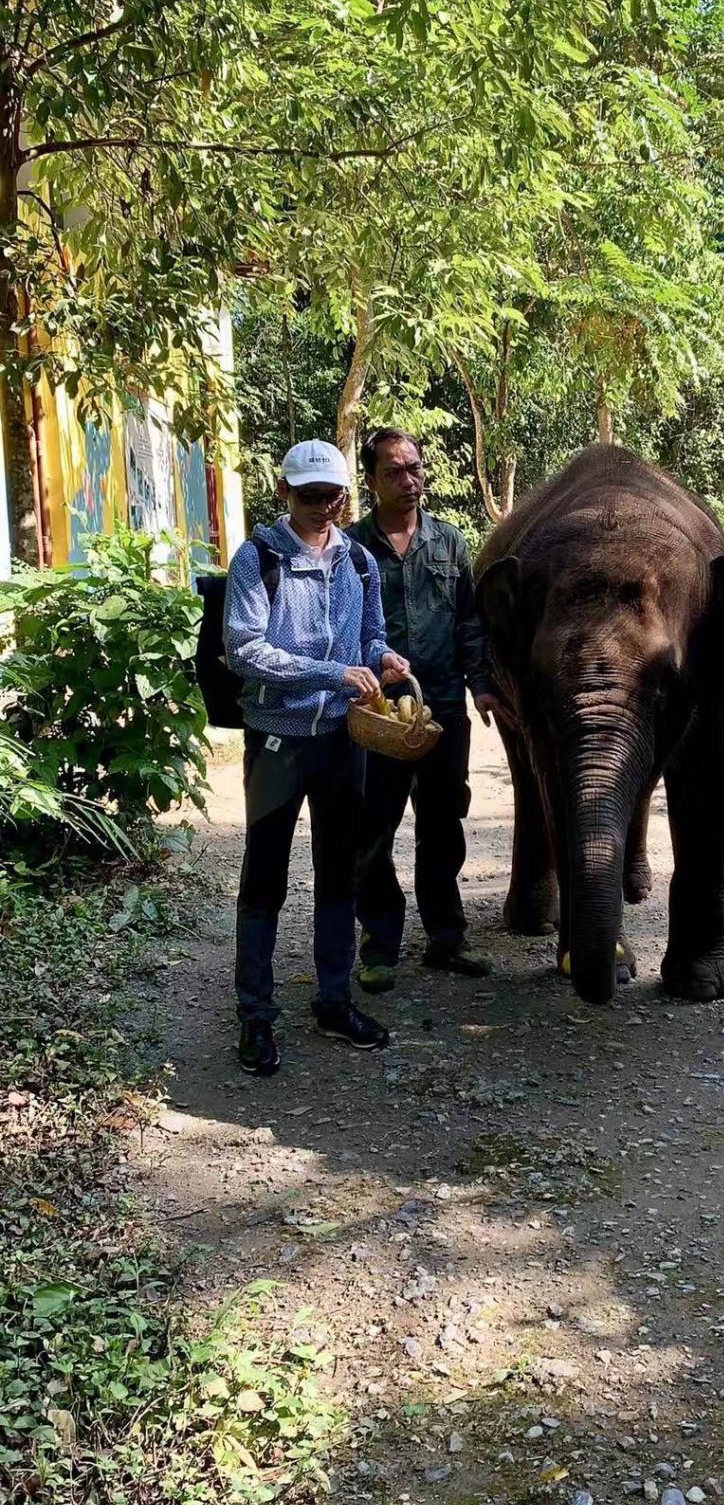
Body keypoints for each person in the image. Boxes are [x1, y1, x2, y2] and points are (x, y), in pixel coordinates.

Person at [224, 439, 410, 1076]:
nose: (322, 506)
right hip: (277, 741)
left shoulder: (358, 560)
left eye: (332, 495)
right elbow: (245, 650)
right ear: (284, 492)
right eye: (309, 495)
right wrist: (332, 674)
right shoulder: (258, 558)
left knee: (339, 873)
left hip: (340, 739)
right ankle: (255, 1013)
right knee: (265, 876)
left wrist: (383, 658)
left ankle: (334, 999)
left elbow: (371, 635)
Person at [348, 427, 504, 991]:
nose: (409, 481)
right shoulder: (351, 547)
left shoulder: (449, 542)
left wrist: (481, 685)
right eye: (394, 472)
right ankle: (380, 945)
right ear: (371, 480)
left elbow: (469, 620)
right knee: (374, 828)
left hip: (441, 708)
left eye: (414, 469)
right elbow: (340, 624)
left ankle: (446, 938)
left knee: (442, 823)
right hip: (377, 712)